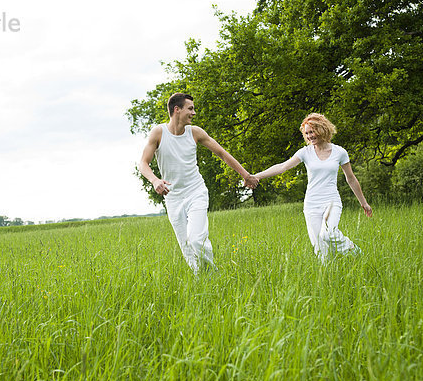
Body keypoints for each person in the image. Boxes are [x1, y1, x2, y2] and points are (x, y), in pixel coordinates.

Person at [139, 93, 258, 274]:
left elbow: (222, 153)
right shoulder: (158, 133)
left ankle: (212, 276)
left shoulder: (195, 132)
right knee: (186, 246)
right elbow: (143, 163)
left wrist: (245, 175)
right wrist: (155, 180)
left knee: (196, 239)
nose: (194, 113)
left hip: (196, 192)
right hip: (173, 198)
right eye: (190, 108)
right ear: (177, 110)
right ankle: (201, 281)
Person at [254, 113, 372, 263]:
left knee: (328, 233)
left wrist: (363, 202)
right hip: (311, 204)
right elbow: (282, 167)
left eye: (312, 131)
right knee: (321, 252)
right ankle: (330, 279)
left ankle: (354, 252)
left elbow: (351, 178)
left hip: (331, 201)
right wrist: (257, 176)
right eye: (307, 133)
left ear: (322, 129)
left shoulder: (339, 152)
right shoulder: (305, 152)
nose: (309, 136)